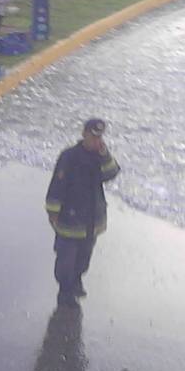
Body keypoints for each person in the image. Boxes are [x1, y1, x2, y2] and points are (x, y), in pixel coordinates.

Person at [45, 118, 121, 307]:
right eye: (93, 136)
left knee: (84, 256)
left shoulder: (100, 157)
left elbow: (111, 173)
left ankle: (77, 281)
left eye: (99, 138)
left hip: (91, 219)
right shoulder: (69, 157)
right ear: (84, 134)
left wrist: (104, 155)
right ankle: (65, 290)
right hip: (70, 217)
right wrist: (53, 211)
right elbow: (57, 184)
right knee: (66, 259)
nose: (96, 141)